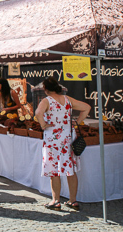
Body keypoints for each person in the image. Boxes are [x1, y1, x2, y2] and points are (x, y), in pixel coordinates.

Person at [35, 77, 90, 211]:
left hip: (53, 137)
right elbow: (86, 107)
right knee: (70, 169)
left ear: (46, 89)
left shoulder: (46, 100)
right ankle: (73, 200)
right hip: (68, 136)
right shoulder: (67, 99)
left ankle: (56, 200)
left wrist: (43, 124)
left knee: (54, 169)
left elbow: (38, 113)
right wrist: (78, 122)